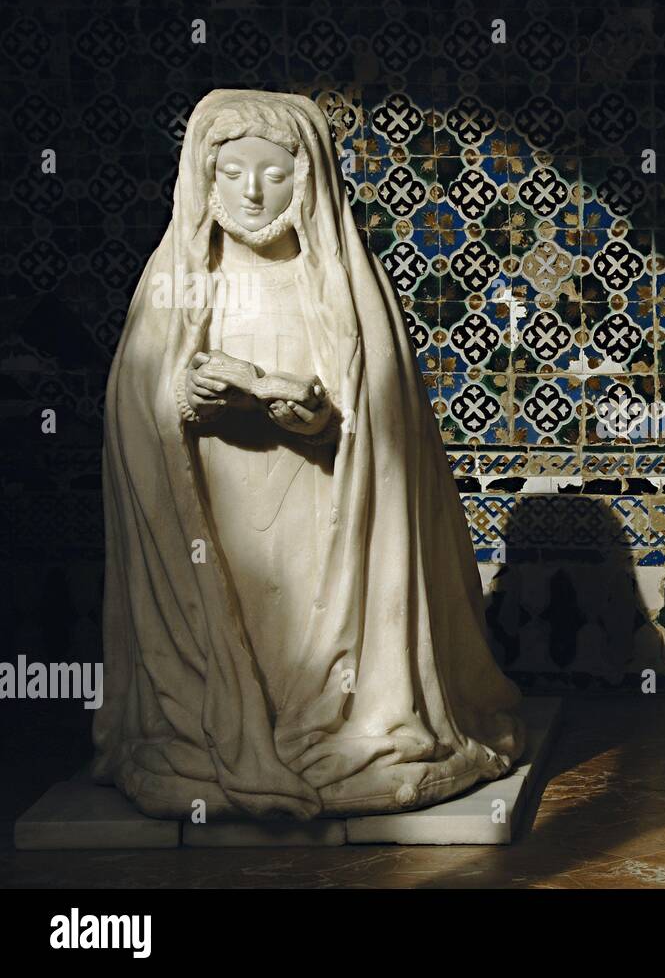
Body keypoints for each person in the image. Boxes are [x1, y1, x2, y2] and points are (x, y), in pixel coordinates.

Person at [95, 90, 523, 820]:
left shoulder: (348, 293)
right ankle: (221, 726)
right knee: (238, 619)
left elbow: (388, 436)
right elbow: (134, 413)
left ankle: (347, 723)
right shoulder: (176, 285)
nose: (254, 193)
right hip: (215, 516)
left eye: (275, 173)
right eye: (232, 173)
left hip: (323, 516)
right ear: (204, 176)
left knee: (314, 630)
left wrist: (319, 418)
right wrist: (187, 400)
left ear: (312, 178)